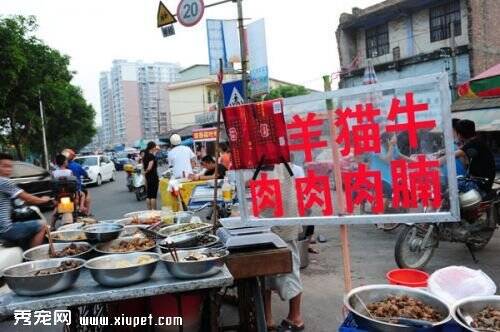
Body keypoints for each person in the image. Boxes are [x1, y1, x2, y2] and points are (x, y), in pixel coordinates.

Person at [261, 164, 304, 332]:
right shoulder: (260, 168)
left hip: (284, 225)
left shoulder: (292, 169)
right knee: (266, 271)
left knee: (288, 269)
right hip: (271, 223)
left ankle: (294, 318)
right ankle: (269, 318)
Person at [0, 153, 51, 248]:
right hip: (5, 229)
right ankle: (32, 256)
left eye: (10, 167)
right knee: (43, 225)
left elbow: (18, 201)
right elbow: (26, 197)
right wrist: (43, 200)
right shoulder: (4, 181)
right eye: (4, 166)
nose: (8, 169)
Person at [455, 119, 495, 193]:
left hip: (480, 185)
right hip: (481, 182)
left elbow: (452, 156)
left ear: (459, 134)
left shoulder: (473, 144)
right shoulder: (477, 142)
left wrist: (435, 162)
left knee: (452, 185)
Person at [62, 148, 91, 215]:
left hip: (62, 190)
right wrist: (87, 176)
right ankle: (86, 212)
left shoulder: (57, 169)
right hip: (75, 189)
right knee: (86, 195)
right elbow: (85, 174)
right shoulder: (76, 166)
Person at [143, 141, 160, 210]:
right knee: (153, 195)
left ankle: (149, 211)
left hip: (148, 177)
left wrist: (145, 173)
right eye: (154, 147)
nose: (155, 148)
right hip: (153, 176)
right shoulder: (151, 156)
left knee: (148, 195)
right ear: (152, 147)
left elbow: (156, 151)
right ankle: (154, 211)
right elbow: (149, 167)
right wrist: (146, 171)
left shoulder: (145, 155)